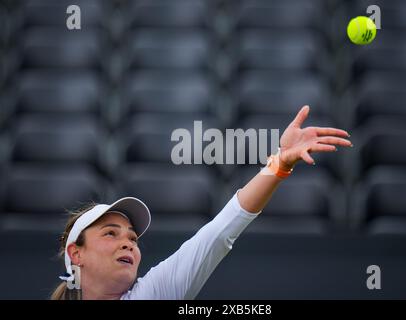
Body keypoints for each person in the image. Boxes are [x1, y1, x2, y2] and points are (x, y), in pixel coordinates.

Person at [51, 105, 352, 300]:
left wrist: (279, 165)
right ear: (76, 254)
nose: (129, 243)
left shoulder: (153, 293)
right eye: (110, 233)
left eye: (133, 238)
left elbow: (220, 232)